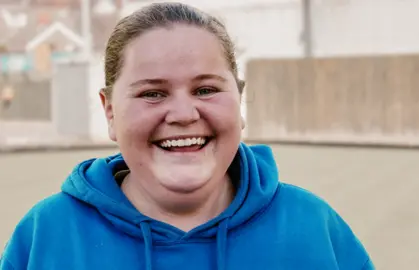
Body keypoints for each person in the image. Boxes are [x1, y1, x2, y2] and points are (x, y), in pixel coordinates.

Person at [0, 3, 374, 270]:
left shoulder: (314, 228)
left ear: (239, 100)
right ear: (110, 111)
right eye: (152, 93)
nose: (182, 114)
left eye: (206, 89)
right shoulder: (45, 236)